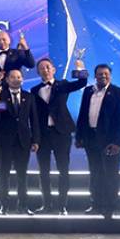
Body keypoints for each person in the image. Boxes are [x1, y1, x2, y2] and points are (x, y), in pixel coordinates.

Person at [31, 57, 88, 215]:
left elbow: (82, 82)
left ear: (53, 70)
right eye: (42, 68)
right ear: (38, 72)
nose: (45, 70)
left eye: (48, 67)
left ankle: (62, 205)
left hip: (61, 133)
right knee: (43, 171)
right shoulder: (34, 90)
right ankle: (46, 205)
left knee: (63, 169)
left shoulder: (62, 85)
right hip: (43, 135)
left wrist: (80, 67)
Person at [76, 64, 120, 219]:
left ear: (110, 75)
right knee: (95, 173)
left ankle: (110, 207)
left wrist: (118, 143)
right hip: (91, 139)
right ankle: (96, 204)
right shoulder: (88, 91)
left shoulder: (119, 93)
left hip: (110, 142)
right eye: (100, 74)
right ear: (95, 76)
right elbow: (82, 115)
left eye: (105, 74)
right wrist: (79, 137)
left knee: (110, 175)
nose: (103, 76)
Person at [0, 69, 40, 215]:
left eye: (19, 77)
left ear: (22, 79)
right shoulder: (1, 95)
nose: (16, 79)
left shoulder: (29, 96)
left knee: (22, 175)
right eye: (12, 77)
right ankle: (4, 206)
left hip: (23, 141)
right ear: (7, 80)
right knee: (4, 174)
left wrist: (35, 140)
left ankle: (23, 206)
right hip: (5, 141)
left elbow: (34, 119)